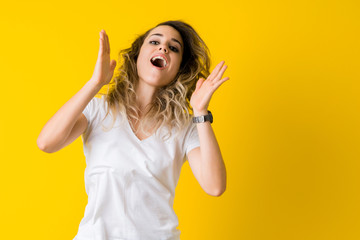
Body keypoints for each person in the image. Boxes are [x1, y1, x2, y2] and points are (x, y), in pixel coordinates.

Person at [37, 20, 229, 240]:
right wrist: (95, 83)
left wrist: (200, 112)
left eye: (173, 47)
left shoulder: (184, 126)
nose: (163, 48)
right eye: (155, 41)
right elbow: (46, 143)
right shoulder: (99, 110)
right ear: (137, 57)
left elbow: (215, 186)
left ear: (178, 69)